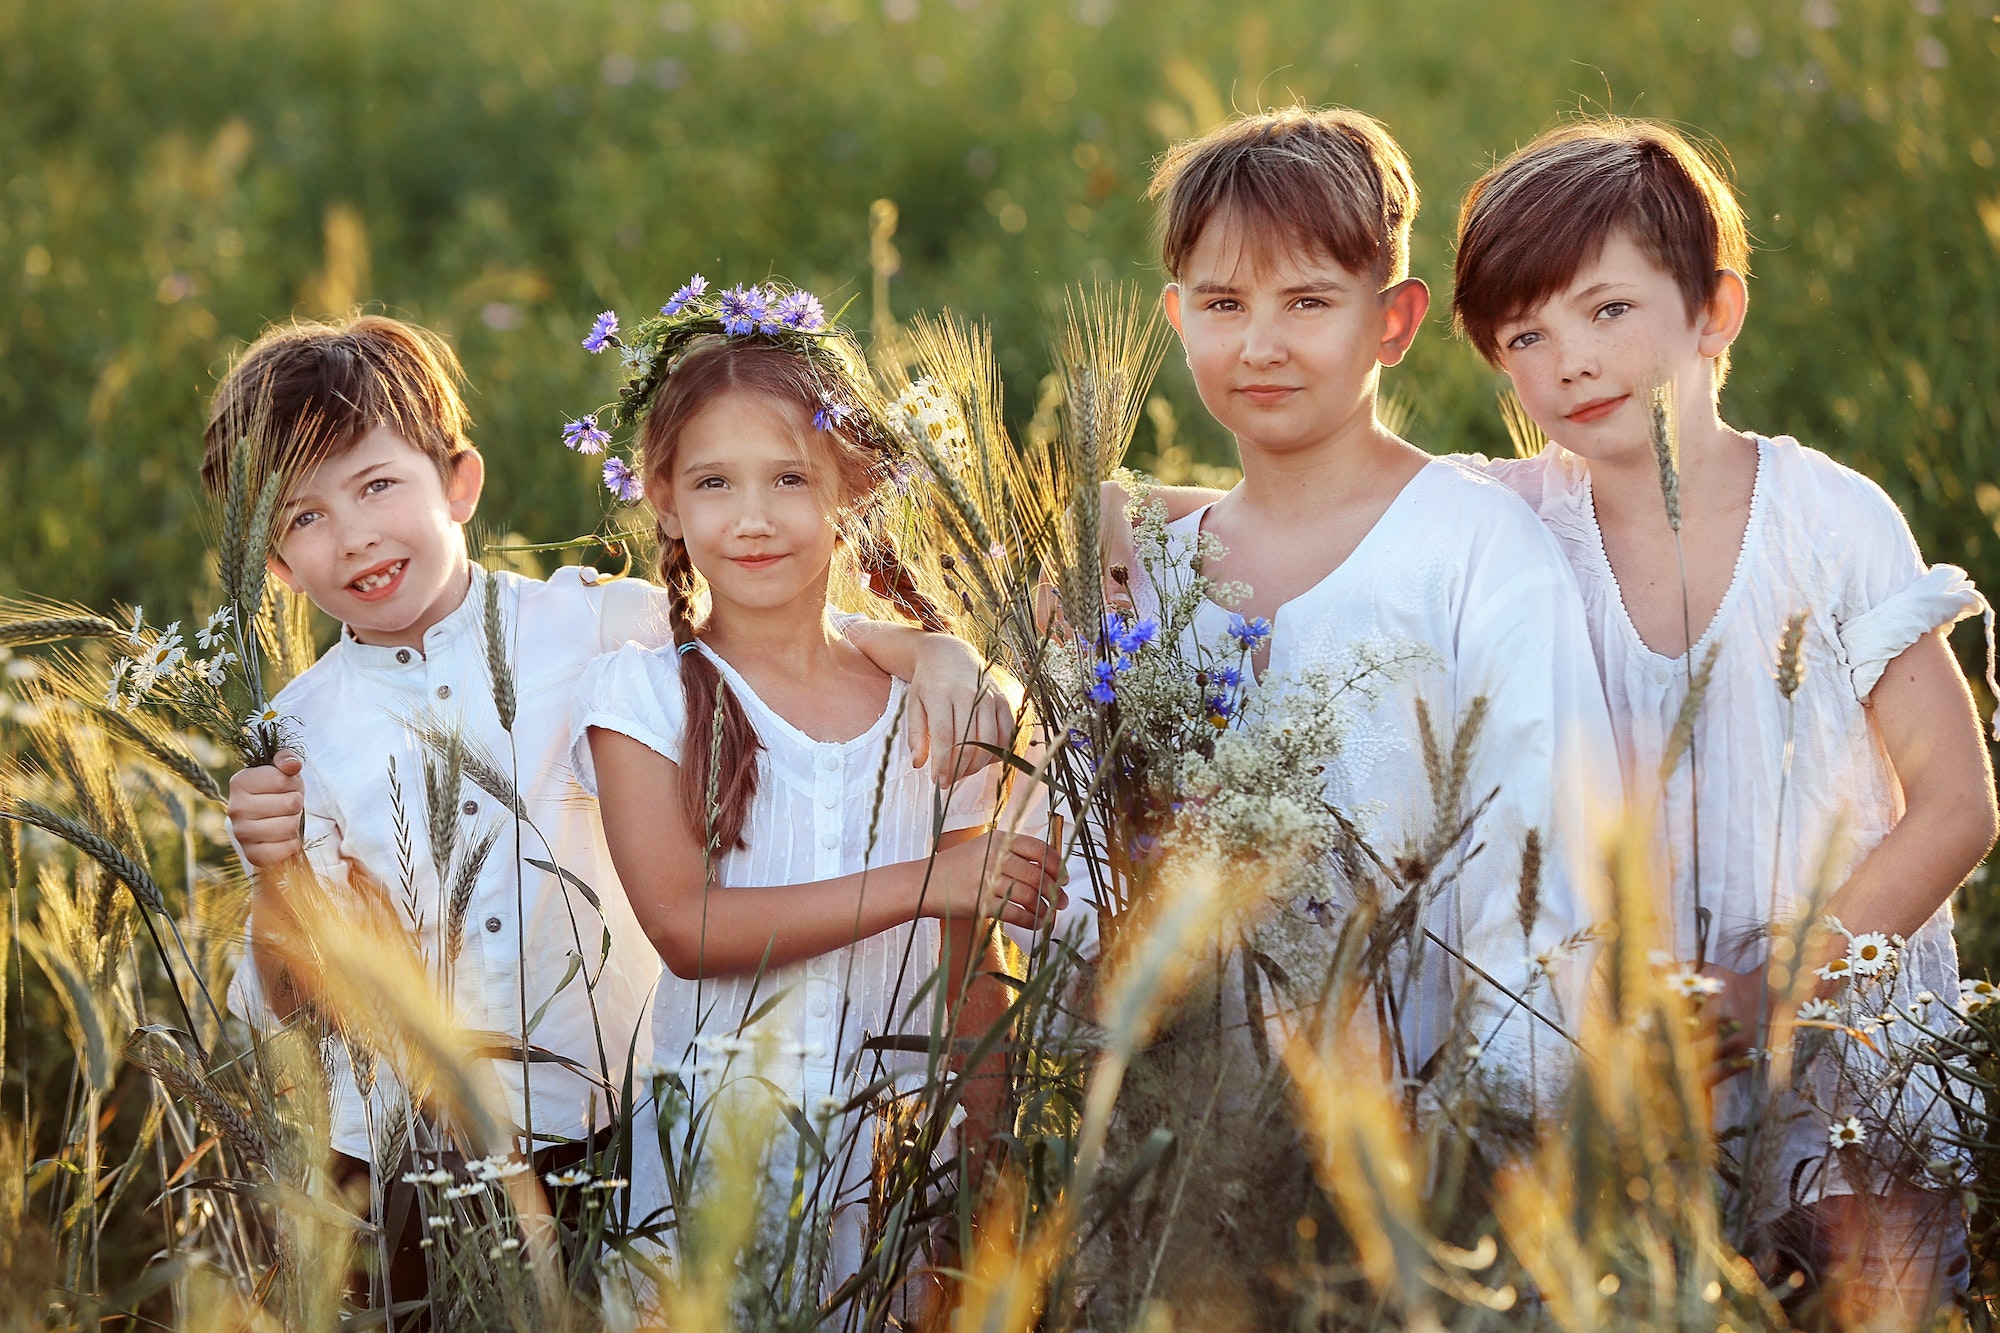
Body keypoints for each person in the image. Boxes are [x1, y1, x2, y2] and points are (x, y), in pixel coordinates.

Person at [212, 313, 1017, 1313]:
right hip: (403, 1162)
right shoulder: (290, 732)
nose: (356, 534)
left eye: (378, 486)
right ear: (273, 564)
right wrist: (273, 869)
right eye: (304, 517)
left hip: (605, 1128)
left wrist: (931, 650)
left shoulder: (588, 621)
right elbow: (293, 1001)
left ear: (458, 482)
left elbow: (770, 626)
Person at [1451, 117, 1999, 1326]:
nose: (1567, 365)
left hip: (1841, 1077)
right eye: (1524, 337)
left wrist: (1765, 999)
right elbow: (1306, 502)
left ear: (1712, 311)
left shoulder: (1829, 520)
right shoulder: (1504, 525)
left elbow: (1954, 806)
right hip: (1625, 1079)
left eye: (1605, 313)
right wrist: (1118, 513)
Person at [1123, 106, 1618, 1096]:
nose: (1259, 344)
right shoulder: (1151, 576)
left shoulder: (1473, 548)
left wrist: (1490, 1143)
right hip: (1197, 1151)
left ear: (1390, 321)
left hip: (1431, 1132)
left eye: (1307, 302)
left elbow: (1543, 878)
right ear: (1176, 318)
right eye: (1222, 304)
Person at [567, 312, 1062, 1297]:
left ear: (852, 489)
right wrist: (931, 880)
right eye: (713, 482)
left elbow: (970, 965)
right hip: (714, 1157)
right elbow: (686, 927)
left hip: (900, 1159)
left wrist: (992, 1160)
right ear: (662, 501)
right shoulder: (640, 700)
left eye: (790, 478)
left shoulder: (934, 699)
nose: (753, 518)